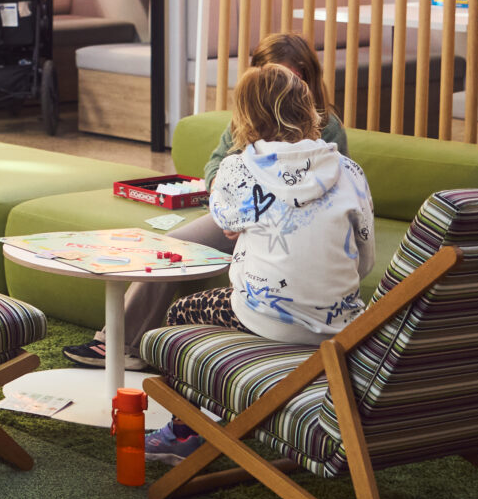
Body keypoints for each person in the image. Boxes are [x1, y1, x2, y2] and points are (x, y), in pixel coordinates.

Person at [63, 31, 352, 369]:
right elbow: (217, 163)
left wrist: (249, 218)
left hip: (283, 224)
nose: (274, 84)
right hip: (237, 215)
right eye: (265, 75)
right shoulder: (251, 115)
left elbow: (320, 193)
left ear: (302, 76)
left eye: (281, 74)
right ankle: (118, 343)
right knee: (170, 246)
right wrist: (227, 204)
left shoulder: (325, 127)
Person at [149, 62, 374, 459]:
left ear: (245, 117)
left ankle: (186, 432)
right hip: (341, 326)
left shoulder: (238, 168)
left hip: (264, 317)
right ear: (309, 110)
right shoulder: (350, 170)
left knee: (182, 312)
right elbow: (366, 261)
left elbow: (225, 222)